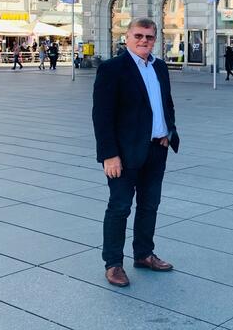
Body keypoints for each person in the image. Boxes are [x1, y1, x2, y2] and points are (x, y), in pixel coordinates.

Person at [92, 17, 180, 288]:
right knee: (119, 207)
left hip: (156, 149)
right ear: (127, 37)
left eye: (149, 37)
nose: (144, 41)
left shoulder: (160, 67)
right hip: (124, 153)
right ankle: (113, 264)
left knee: (150, 205)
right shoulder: (112, 69)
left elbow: (166, 104)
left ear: (156, 39)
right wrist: (109, 155)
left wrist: (169, 132)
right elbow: (101, 115)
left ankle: (143, 254)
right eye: (139, 36)